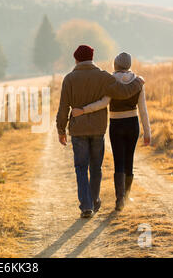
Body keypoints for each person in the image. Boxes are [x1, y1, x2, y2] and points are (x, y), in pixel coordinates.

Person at [56, 45, 144, 218]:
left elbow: (63, 107)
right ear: (92, 57)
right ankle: (95, 200)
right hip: (98, 129)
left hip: (78, 129)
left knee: (81, 167)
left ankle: (86, 205)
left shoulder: (69, 79)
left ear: (76, 59)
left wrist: (61, 130)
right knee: (95, 167)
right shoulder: (103, 77)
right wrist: (138, 82)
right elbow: (124, 92)